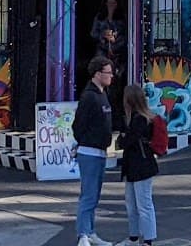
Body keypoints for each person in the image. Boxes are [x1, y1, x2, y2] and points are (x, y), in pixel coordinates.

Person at [73, 56, 116, 246]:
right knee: (88, 195)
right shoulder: (89, 96)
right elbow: (78, 126)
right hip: (89, 151)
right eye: (108, 73)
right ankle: (83, 234)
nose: (111, 76)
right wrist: (87, 140)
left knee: (94, 195)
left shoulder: (102, 94)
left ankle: (90, 232)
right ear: (98, 74)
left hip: (100, 151)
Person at [116, 83, 160, 246]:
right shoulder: (135, 118)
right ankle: (134, 237)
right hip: (134, 165)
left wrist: (124, 137)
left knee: (143, 204)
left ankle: (148, 240)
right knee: (132, 205)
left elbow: (126, 141)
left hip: (141, 166)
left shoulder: (140, 119)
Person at [92, 0, 127, 76]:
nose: (111, 5)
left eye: (114, 3)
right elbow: (93, 33)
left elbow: (126, 35)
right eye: (109, 3)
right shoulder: (100, 17)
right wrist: (103, 36)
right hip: (102, 51)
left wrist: (116, 38)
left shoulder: (122, 18)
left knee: (116, 74)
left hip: (118, 53)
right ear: (105, 4)